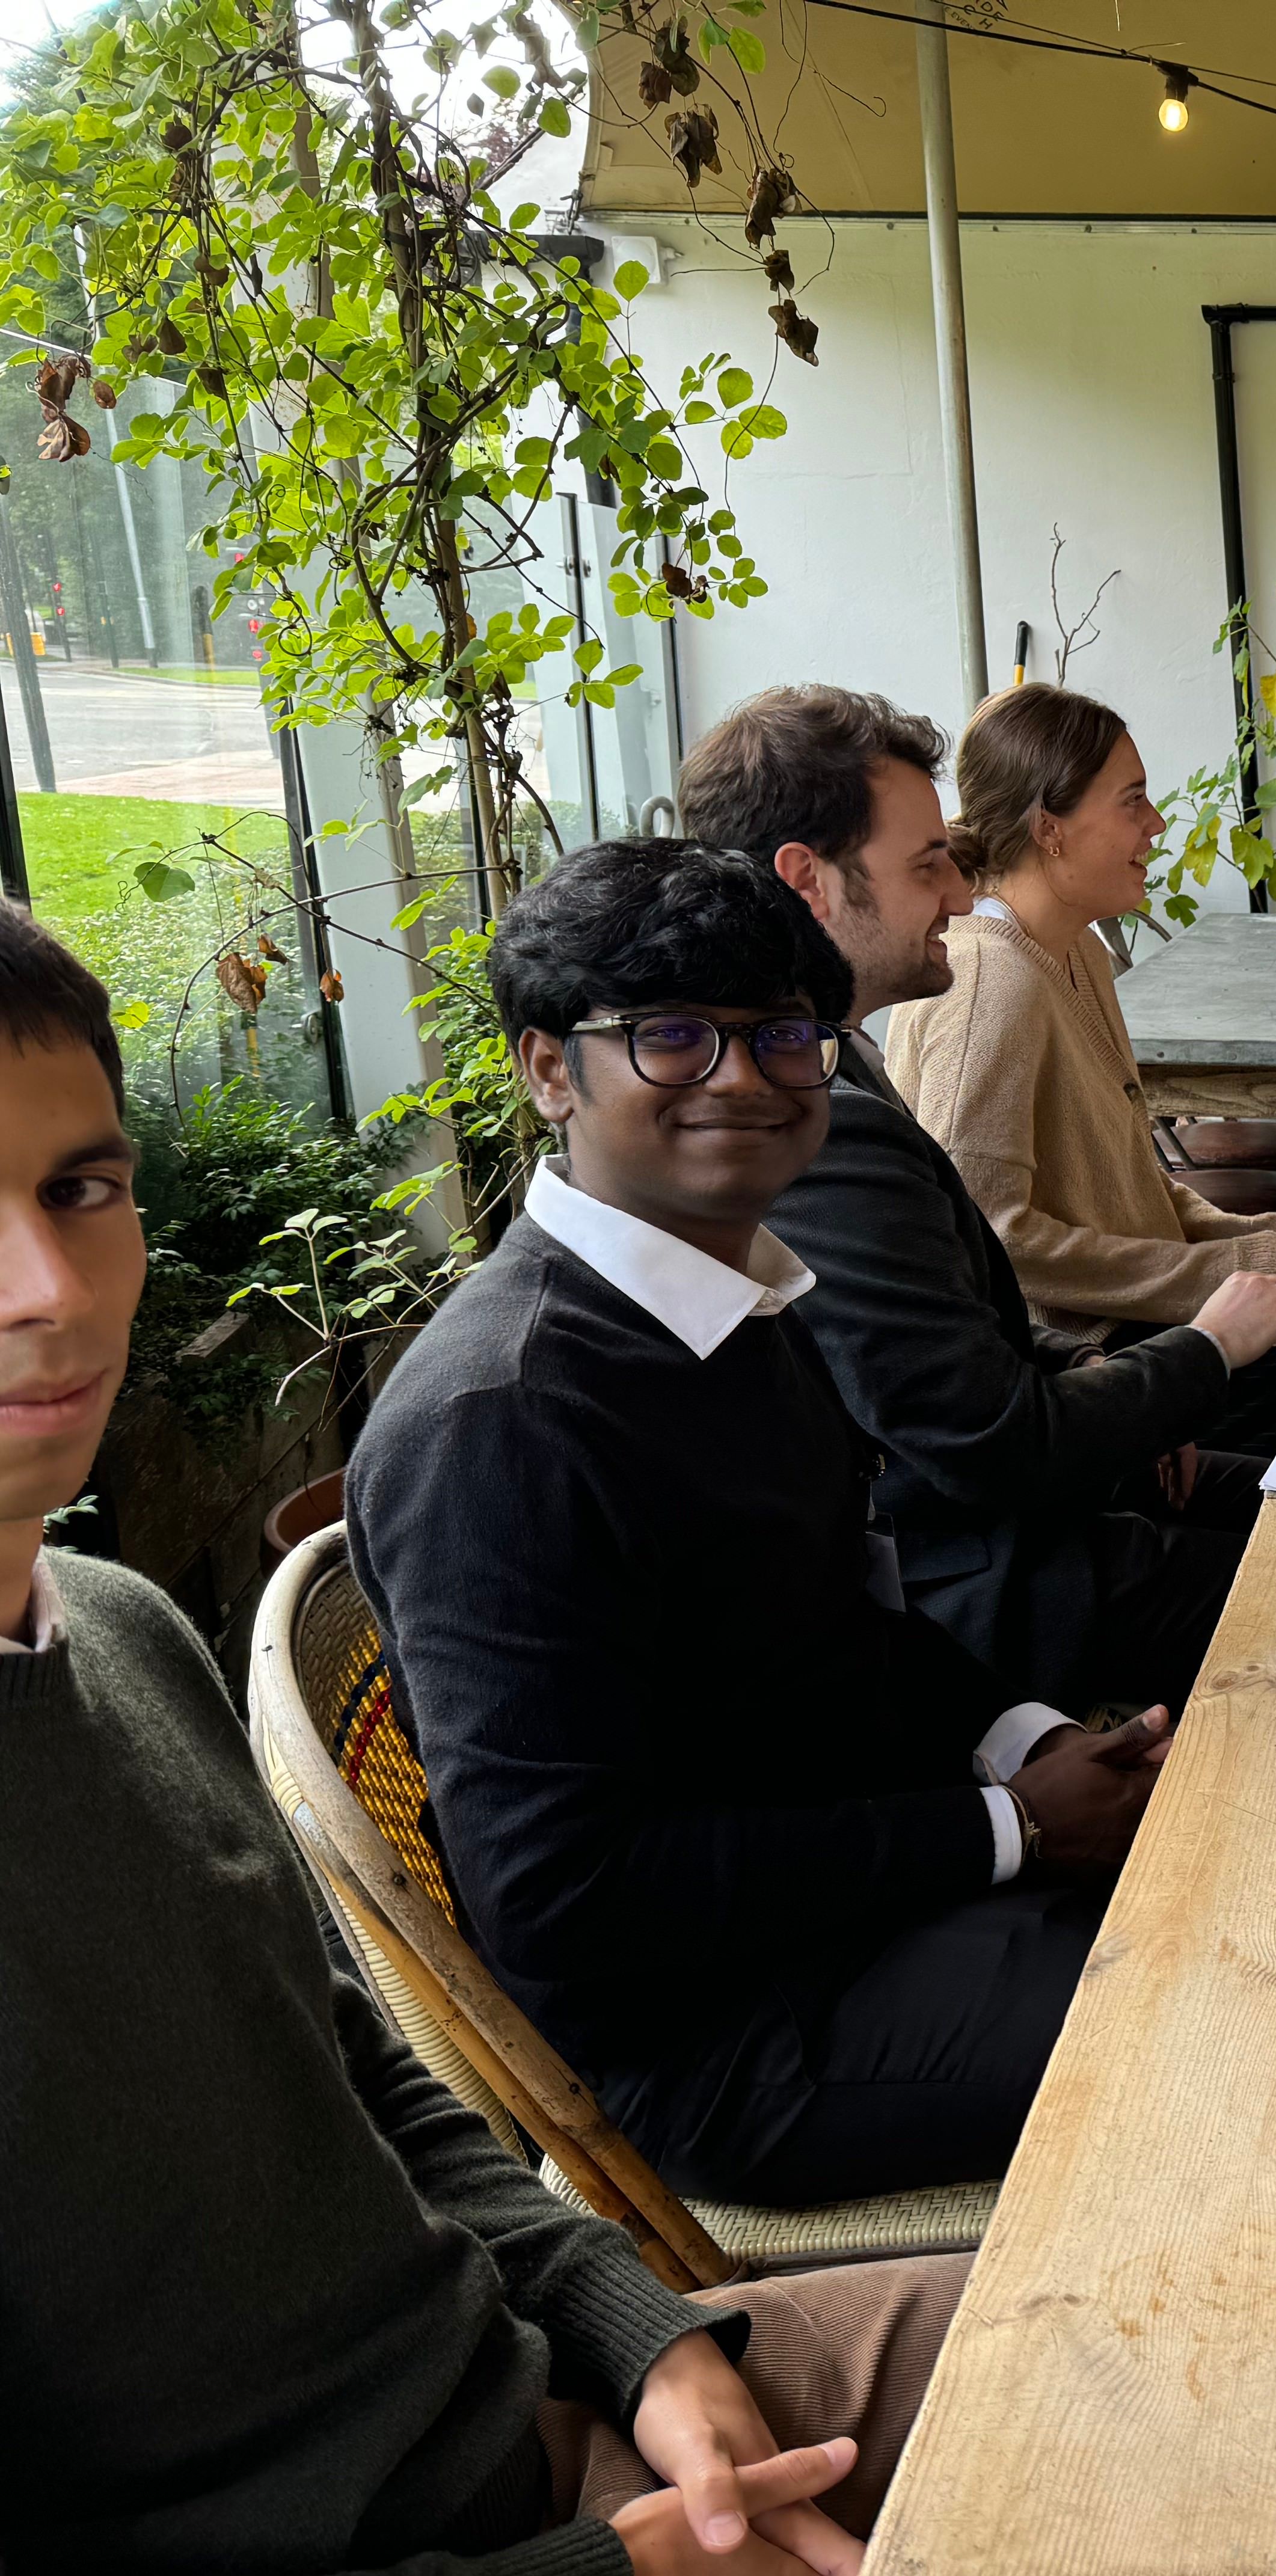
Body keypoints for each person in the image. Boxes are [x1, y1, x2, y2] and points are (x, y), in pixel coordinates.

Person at [0, 901, 968, 2572]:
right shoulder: (508, 1409)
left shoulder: (123, 1631)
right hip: (534, 2521)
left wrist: (648, 2336)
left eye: (80, 1189)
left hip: (575, 2403)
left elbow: (369, 2074)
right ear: (548, 1072)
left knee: (1249, 2317)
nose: (44, 1289)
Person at [351, 843, 1168, 2208]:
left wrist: (1038, 1742)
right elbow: (572, 1899)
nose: (742, 1076)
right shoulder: (501, 1423)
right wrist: (1007, 1829)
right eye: (672, 1037)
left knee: (1245, 1880)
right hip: (724, 2045)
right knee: (1228, 2029)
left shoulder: (736, 1307)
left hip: (866, 1906)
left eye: (785, 1035)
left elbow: (847, 1635)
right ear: (550, 1070)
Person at [679, 684, 1276, 1706]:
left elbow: (967, 1322)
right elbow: (984, 1418)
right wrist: (1193, 1345)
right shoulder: (810, 1109)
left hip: (1049, 1453)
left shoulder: (831, 1059)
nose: (957, 889)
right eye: (928, 861)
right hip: (979, 1567)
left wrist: (1148, 1383)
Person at [885, 682, 1276, 1354]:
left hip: (1147, 1335)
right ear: (1049, 829)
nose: (1156, 823)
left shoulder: (1076, 949)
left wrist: (1249, 1243)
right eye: (1133, 801)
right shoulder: (989, 984)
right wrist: (1222, 1273)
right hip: (1086, 1369)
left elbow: (1125, 1192)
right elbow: (985, 1233)